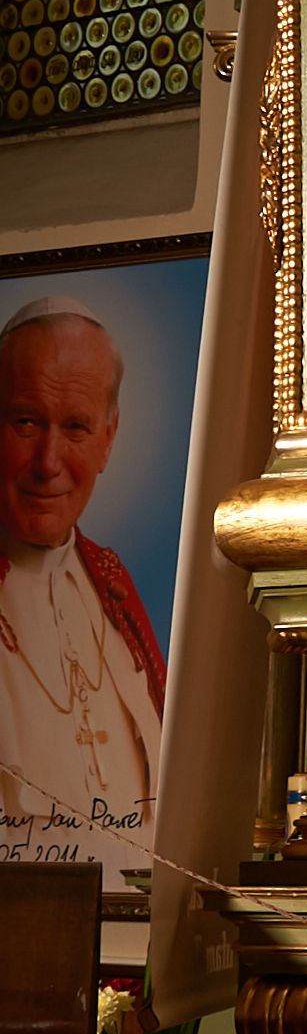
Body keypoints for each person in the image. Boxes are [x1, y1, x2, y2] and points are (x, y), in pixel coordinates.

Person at [0, 301, 165, 870]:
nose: (48, 462)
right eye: (26, 422)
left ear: (108, 438)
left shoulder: (113, 586)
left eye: (75, 428)